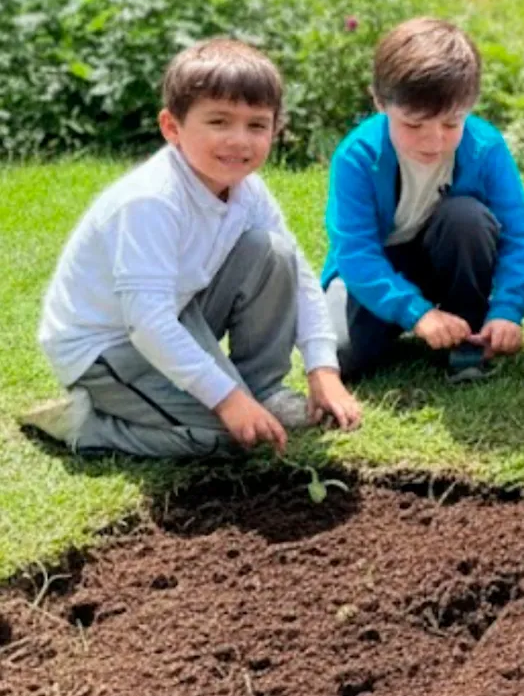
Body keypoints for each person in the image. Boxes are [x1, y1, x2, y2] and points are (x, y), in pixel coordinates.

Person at [23, 40, 361, 456]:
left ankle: (262, 391)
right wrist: (227, 401)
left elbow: (300, 276)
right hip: (106, 349)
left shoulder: (247, 189)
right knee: (231, 437)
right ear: (172, 127)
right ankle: (84, 424)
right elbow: (146, 322)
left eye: (257, 126)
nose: (239, 140)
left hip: (177, 316)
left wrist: (322, 368)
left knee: (274, 251)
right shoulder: (152, 200)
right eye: (219, 122)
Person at [321, 18, 524, 383]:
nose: (434, 140)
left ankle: (467, 334)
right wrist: (417, 313)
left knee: (466, 217)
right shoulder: (357, 156)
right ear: (380, 102)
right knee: (339, 354)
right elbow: (355, 252)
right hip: (379, 268)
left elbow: (518, 234)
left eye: (451, 124)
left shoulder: (485, 147)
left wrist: (507, 309)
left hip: (449, 255)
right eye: (413, 125)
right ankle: (408, 322)